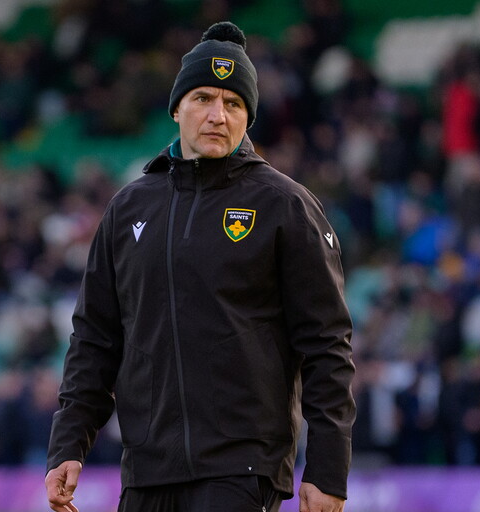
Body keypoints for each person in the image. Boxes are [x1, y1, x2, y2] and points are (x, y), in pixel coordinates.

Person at [45, 21, 356, 512]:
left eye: (233, 104)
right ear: (177, 108)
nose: (218, 115)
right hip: (146, 472)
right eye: (203, 98)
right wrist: (68, 443)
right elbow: (95, 339)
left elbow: (327, 344)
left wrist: (327, 468)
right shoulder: (128, 209)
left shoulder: (284, 205)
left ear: (248, 118)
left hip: (241, 471)